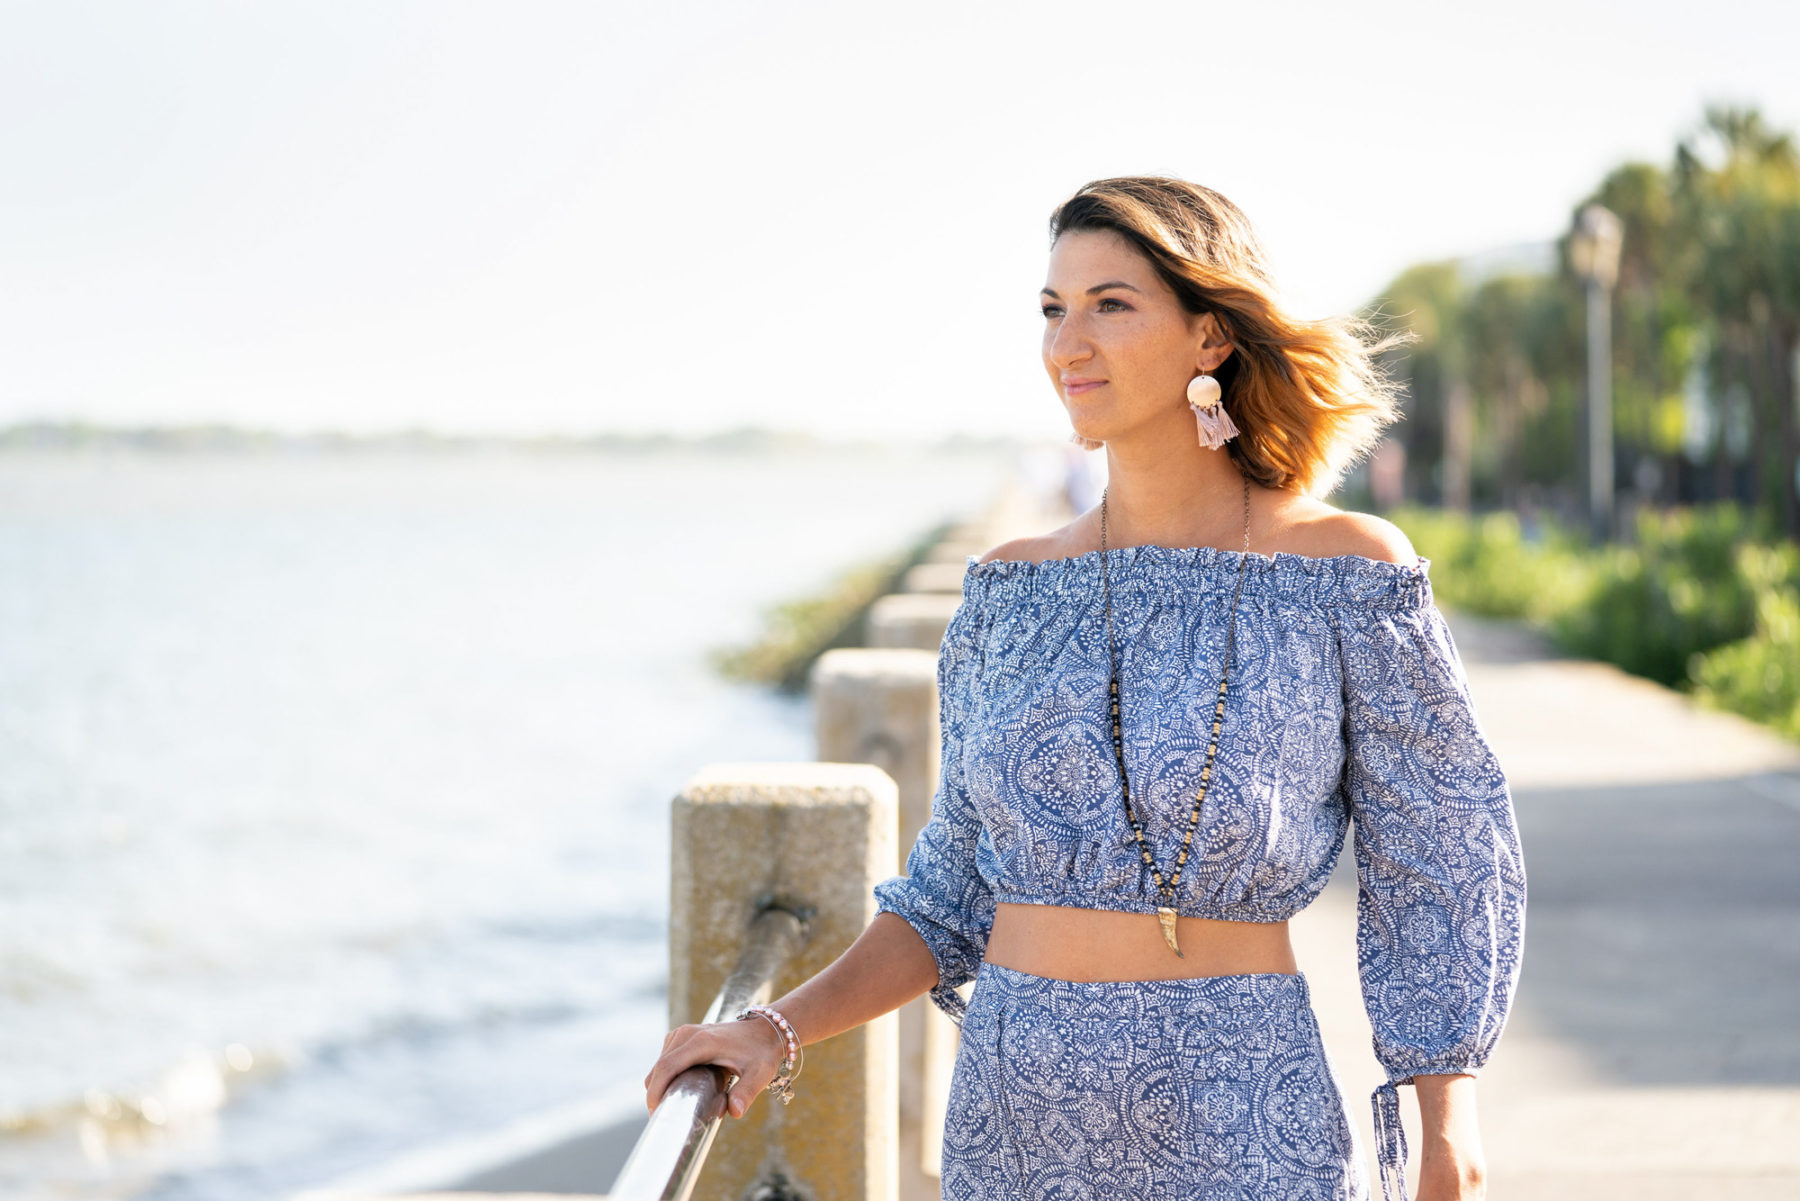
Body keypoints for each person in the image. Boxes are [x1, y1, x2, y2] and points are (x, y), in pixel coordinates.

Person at [644, 176, 1526, 1201]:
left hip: (1241, 1114)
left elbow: (1441, 852)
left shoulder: (1344, 572)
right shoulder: (1011, 591)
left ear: (1210, 336)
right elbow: (949, 897)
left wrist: (1446, 1118)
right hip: (1017, 1122)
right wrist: (770, 1028)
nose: (1069, 344)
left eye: (1112, 304)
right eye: (1053, 310)